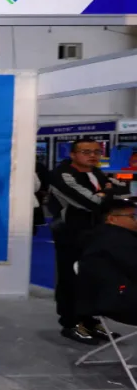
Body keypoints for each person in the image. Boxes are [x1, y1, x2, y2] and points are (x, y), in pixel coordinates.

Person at [48, 138, 119, 344]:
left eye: (96, 152)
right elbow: (92, 202)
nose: (92, 156)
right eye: (86, 152)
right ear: (73, 154)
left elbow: (121, 192)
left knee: (93, 278)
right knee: (70, 278)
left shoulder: (97, 173)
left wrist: (107, 192)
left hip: (97, 233)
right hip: (71, 234)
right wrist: (108, 191)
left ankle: (89, 320)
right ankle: (71, 323)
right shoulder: (63, 175)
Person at [79, 199, 137, 328]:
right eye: (132, 216)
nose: (135, 220)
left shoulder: (105, 236)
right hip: (120, 302)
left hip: (111, 297)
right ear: (112, 219)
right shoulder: (117, 240)